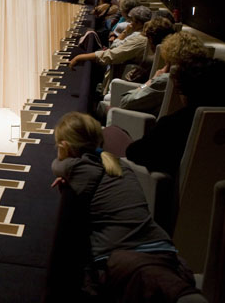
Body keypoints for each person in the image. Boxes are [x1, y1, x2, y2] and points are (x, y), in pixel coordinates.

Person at [51, 111, 199, 300]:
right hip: (161, 246)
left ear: (64, 147)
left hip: (123, 254)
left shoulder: (77, 168)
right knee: (162, 278)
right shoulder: (117, 163)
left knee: (152, 278)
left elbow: (57, 166)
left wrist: (62, 158)